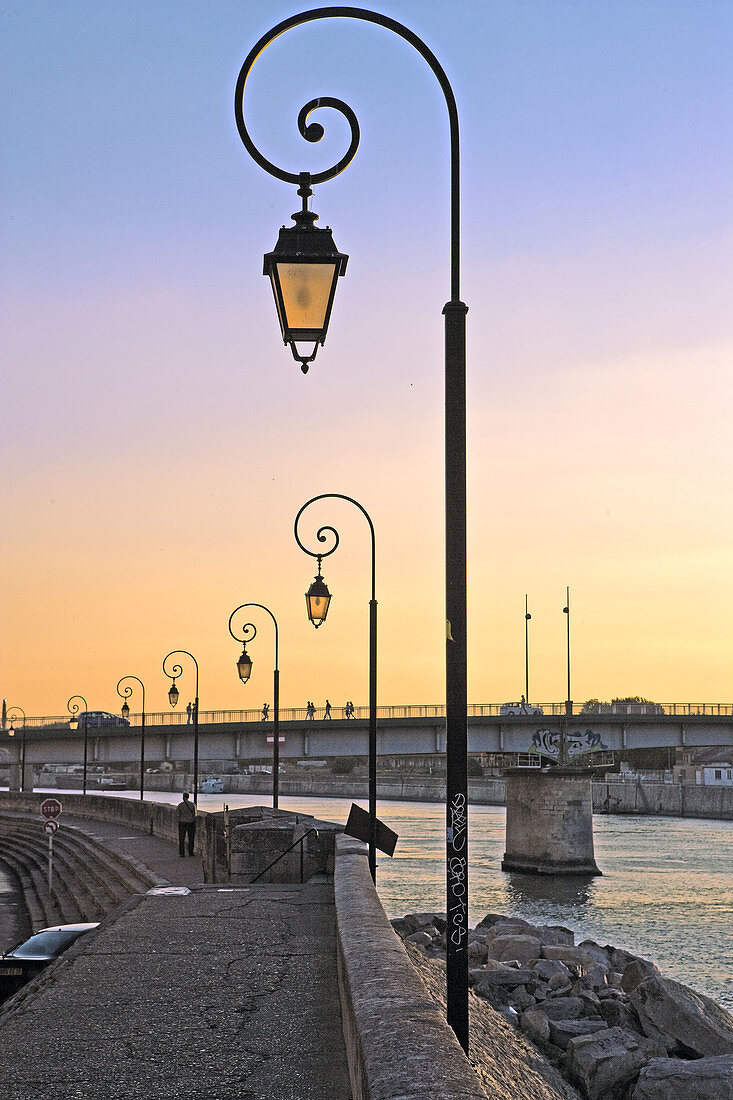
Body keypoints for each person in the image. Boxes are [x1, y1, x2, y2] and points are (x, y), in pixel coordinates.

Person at [176, 791, 196, 857]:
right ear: (188, 797)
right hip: (190, 823)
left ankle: (182, 853)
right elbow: (195, 814)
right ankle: (191, 852)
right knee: (191, 838)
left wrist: (179, 820)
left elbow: (177, 815)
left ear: (183, 797)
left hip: (182, 822)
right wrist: (192, 820)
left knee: (181, 838)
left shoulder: (180, 805)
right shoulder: (192, 804)